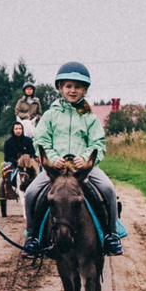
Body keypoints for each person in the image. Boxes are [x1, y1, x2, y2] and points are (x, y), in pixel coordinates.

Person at [23, 62, 126, 257]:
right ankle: (33, 237)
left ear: (84, 90)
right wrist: (53, 159)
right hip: (55, 171)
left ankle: (112, 234)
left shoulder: (91, 118)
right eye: (68, 86)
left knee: (108, 189)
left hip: (84, 170)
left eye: (78, 87)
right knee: (30, 192)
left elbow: (98, 143)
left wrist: (86, 159)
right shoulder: (50, 115)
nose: (73, 90)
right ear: (60, 87)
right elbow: (41, 140)